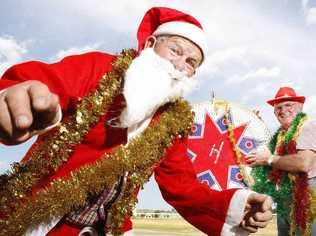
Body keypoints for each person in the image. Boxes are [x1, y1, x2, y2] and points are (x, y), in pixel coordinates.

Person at [0, 7, 272, 236]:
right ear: (151, 45)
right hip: (39, 219)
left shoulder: (173, 121)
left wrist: (237, 205)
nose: (180, 66)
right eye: (175, 51)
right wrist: (15, 96)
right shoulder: (101, 69)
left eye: (191, 62)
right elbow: (46, 82)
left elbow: (182, 186)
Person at [248, 86, 316, 235]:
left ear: (300, 107)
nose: (283, 110)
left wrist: (270, 159)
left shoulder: (307, 126)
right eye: (278, 107)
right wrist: (254, 125)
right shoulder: (279, 137)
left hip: (308, 197)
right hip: (285, 200)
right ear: (274, 113)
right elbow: (260, 156)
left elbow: (303, 164)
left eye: (288, 105)